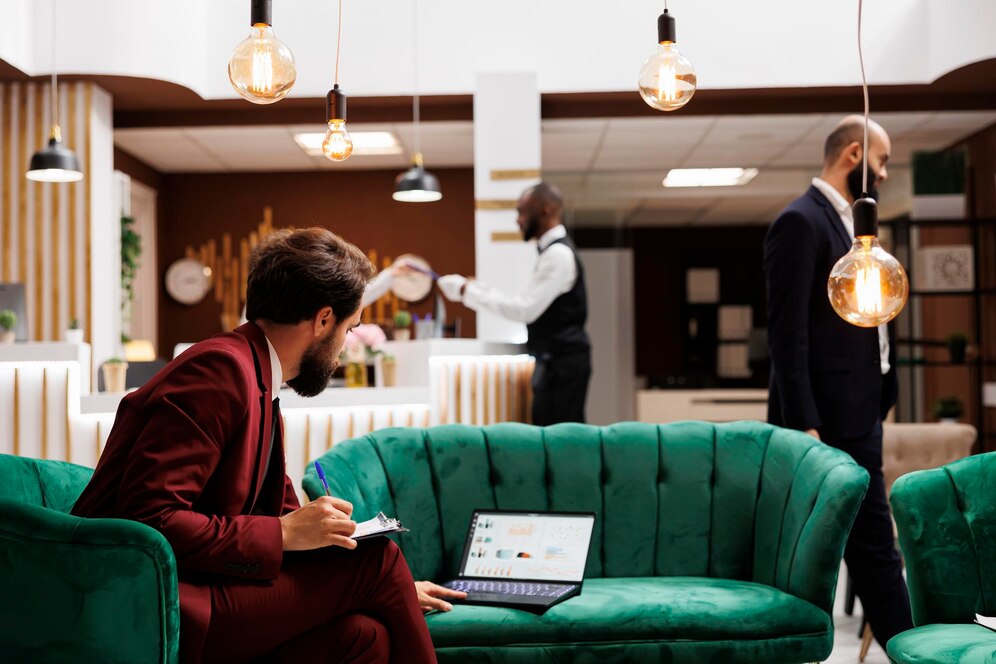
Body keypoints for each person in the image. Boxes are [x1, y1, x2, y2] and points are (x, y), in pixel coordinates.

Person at [72, 228, 463, 664]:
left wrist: (390, 590)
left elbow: (277, 509)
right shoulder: (219, 369)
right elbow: (150, 518)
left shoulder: (258, 374)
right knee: (379, 562)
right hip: (152, 599)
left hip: (203, 585)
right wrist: (285, 534)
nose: (343, 350)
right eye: (348, 331)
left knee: (364, 636)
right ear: (323, 320)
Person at [764, 115, 913, 649]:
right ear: (854, 155)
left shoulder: (856, 228)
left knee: (867, 543)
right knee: (867, 544)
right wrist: (803, 421)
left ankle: (909, 647)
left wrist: (882, 388)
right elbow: (787, 335)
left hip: (860, 409)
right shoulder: (800, 222)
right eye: (882, 161)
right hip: (822, 421)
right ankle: (913, 650)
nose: (886, 174)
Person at [437, 181, 591, 425]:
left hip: (562, 365)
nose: (518, 220)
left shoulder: (557, 256)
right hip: (555, 362)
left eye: (522, 211)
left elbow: (524, 309)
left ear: (547, 210)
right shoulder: (551, 253)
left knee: (560, 442)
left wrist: (467, 291)